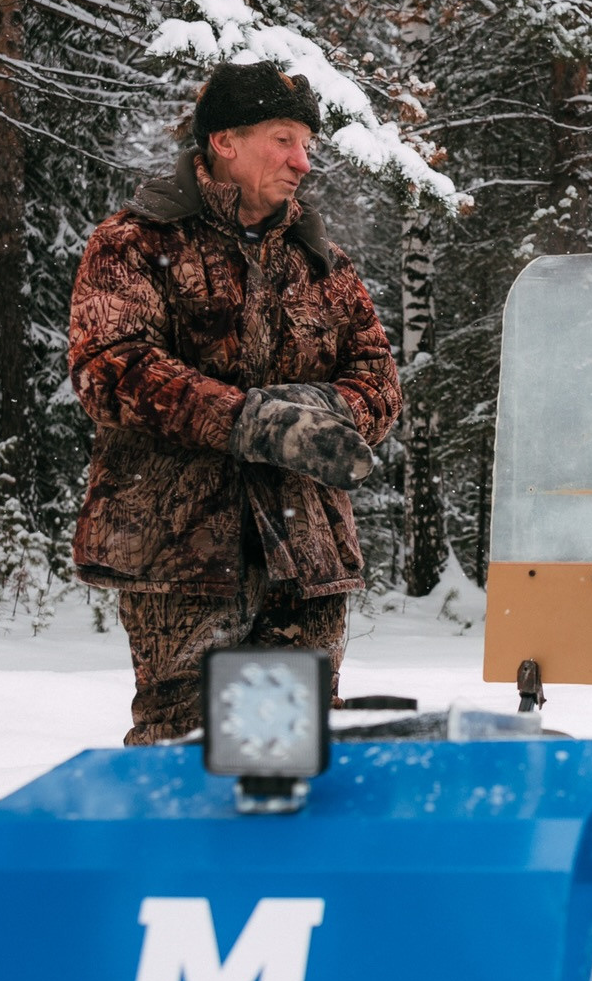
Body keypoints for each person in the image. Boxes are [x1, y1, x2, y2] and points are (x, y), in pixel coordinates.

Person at [69, 62, 400, 743]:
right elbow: (111, 368)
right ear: (224, 141)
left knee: (292, 760)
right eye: (284, 141)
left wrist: (314, 409)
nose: (302, 162)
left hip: (306, 559)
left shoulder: (321, 263)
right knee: (185, 758)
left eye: (306, 144)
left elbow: (380, 383)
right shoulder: (134, 242)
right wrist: (251, 422)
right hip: (182, 556)